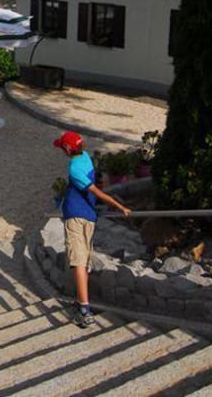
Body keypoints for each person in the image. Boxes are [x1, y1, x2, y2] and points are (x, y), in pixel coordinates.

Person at [54, 130, 130, 327]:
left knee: (78, 261)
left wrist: (119, 206)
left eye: (63, 146)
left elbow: (95, 190)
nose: (62, 149)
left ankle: (84, 309)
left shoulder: (74, 170)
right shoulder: (86, 158)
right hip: (89, 215)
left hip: (76, 217)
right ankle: (83, 301)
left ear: (69, 148)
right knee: (84, 260)